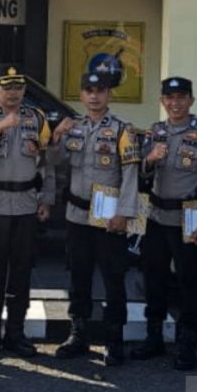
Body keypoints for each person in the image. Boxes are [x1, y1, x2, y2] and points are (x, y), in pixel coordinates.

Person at [48, 71, 140, 366]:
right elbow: (53, 163)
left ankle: (114, 339)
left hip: (109, 217)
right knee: (79, 275)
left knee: (113, 277)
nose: (94, 96)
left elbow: (130, 174)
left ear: (108, 94)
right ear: (81, 94)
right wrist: (56, 137)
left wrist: (124, 213)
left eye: (100, 90)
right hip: (77, 214)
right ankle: (79, 333)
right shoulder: (74, 128)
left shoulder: (122, 130)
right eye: (88, 90)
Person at [135, 76, 197, 371]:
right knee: (154, 277)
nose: (175, 103)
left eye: (181, 98)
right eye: (170, 98)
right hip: (157, 217)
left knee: (191, 281)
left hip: (189, 217)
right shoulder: (155, 132)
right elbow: (141, 175)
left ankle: (187, 342)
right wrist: (150, 159)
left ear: (191, 101)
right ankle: (154, 336)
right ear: (162, 101)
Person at [0, 64, 54, 359]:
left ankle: (15, 333)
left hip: (27, 203)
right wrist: (0, 128)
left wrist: (46, 198)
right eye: (7, 87)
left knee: (21, 271)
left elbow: (46, 162)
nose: (13, 93)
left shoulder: (37, 118)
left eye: (18, 87)